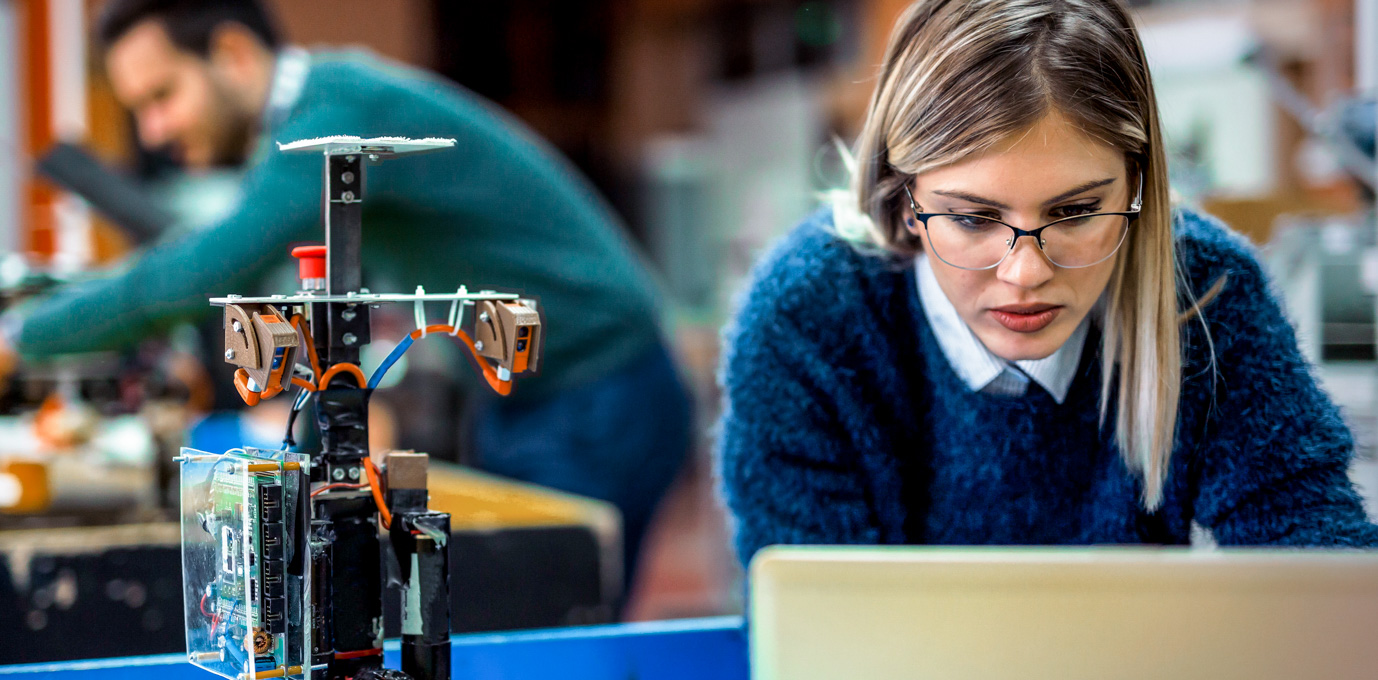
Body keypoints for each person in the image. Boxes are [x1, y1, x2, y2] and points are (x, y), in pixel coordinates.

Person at [2, 0, 691, 592]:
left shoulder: (333, 114)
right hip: (529, 393)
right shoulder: (326, 101)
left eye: (162, 97)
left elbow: (199, 274)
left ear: (234, 53)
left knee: (543, 633)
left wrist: (20, 339)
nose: (152, 131)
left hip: (600, 384)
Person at [717, 0, 1378, 568]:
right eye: (973, 219)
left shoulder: (1207, 291)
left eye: (1077, 212)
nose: (1025, 273)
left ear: (1141, 188)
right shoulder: (806, 319)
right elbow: (815, 633)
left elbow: (1315, 572)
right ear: (902, 198)